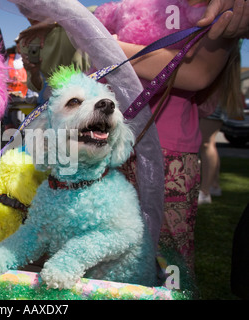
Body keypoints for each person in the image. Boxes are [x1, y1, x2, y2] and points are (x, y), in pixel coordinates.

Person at [94, 0, 244, 271]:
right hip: (109, 145)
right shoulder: (129, 7)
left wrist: (108, 47)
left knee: (165, 255)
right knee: (104, 247)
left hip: (167, 153)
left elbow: (196, 73)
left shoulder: (212, 5)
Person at [17, 16, 90, 103]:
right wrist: (34, 72)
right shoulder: (27, 39)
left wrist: (52, 22)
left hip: (87, 91)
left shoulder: (69, 25)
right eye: (25, 11)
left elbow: (94, 13)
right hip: (52, 100)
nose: (31, 15)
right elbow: (36, 86)